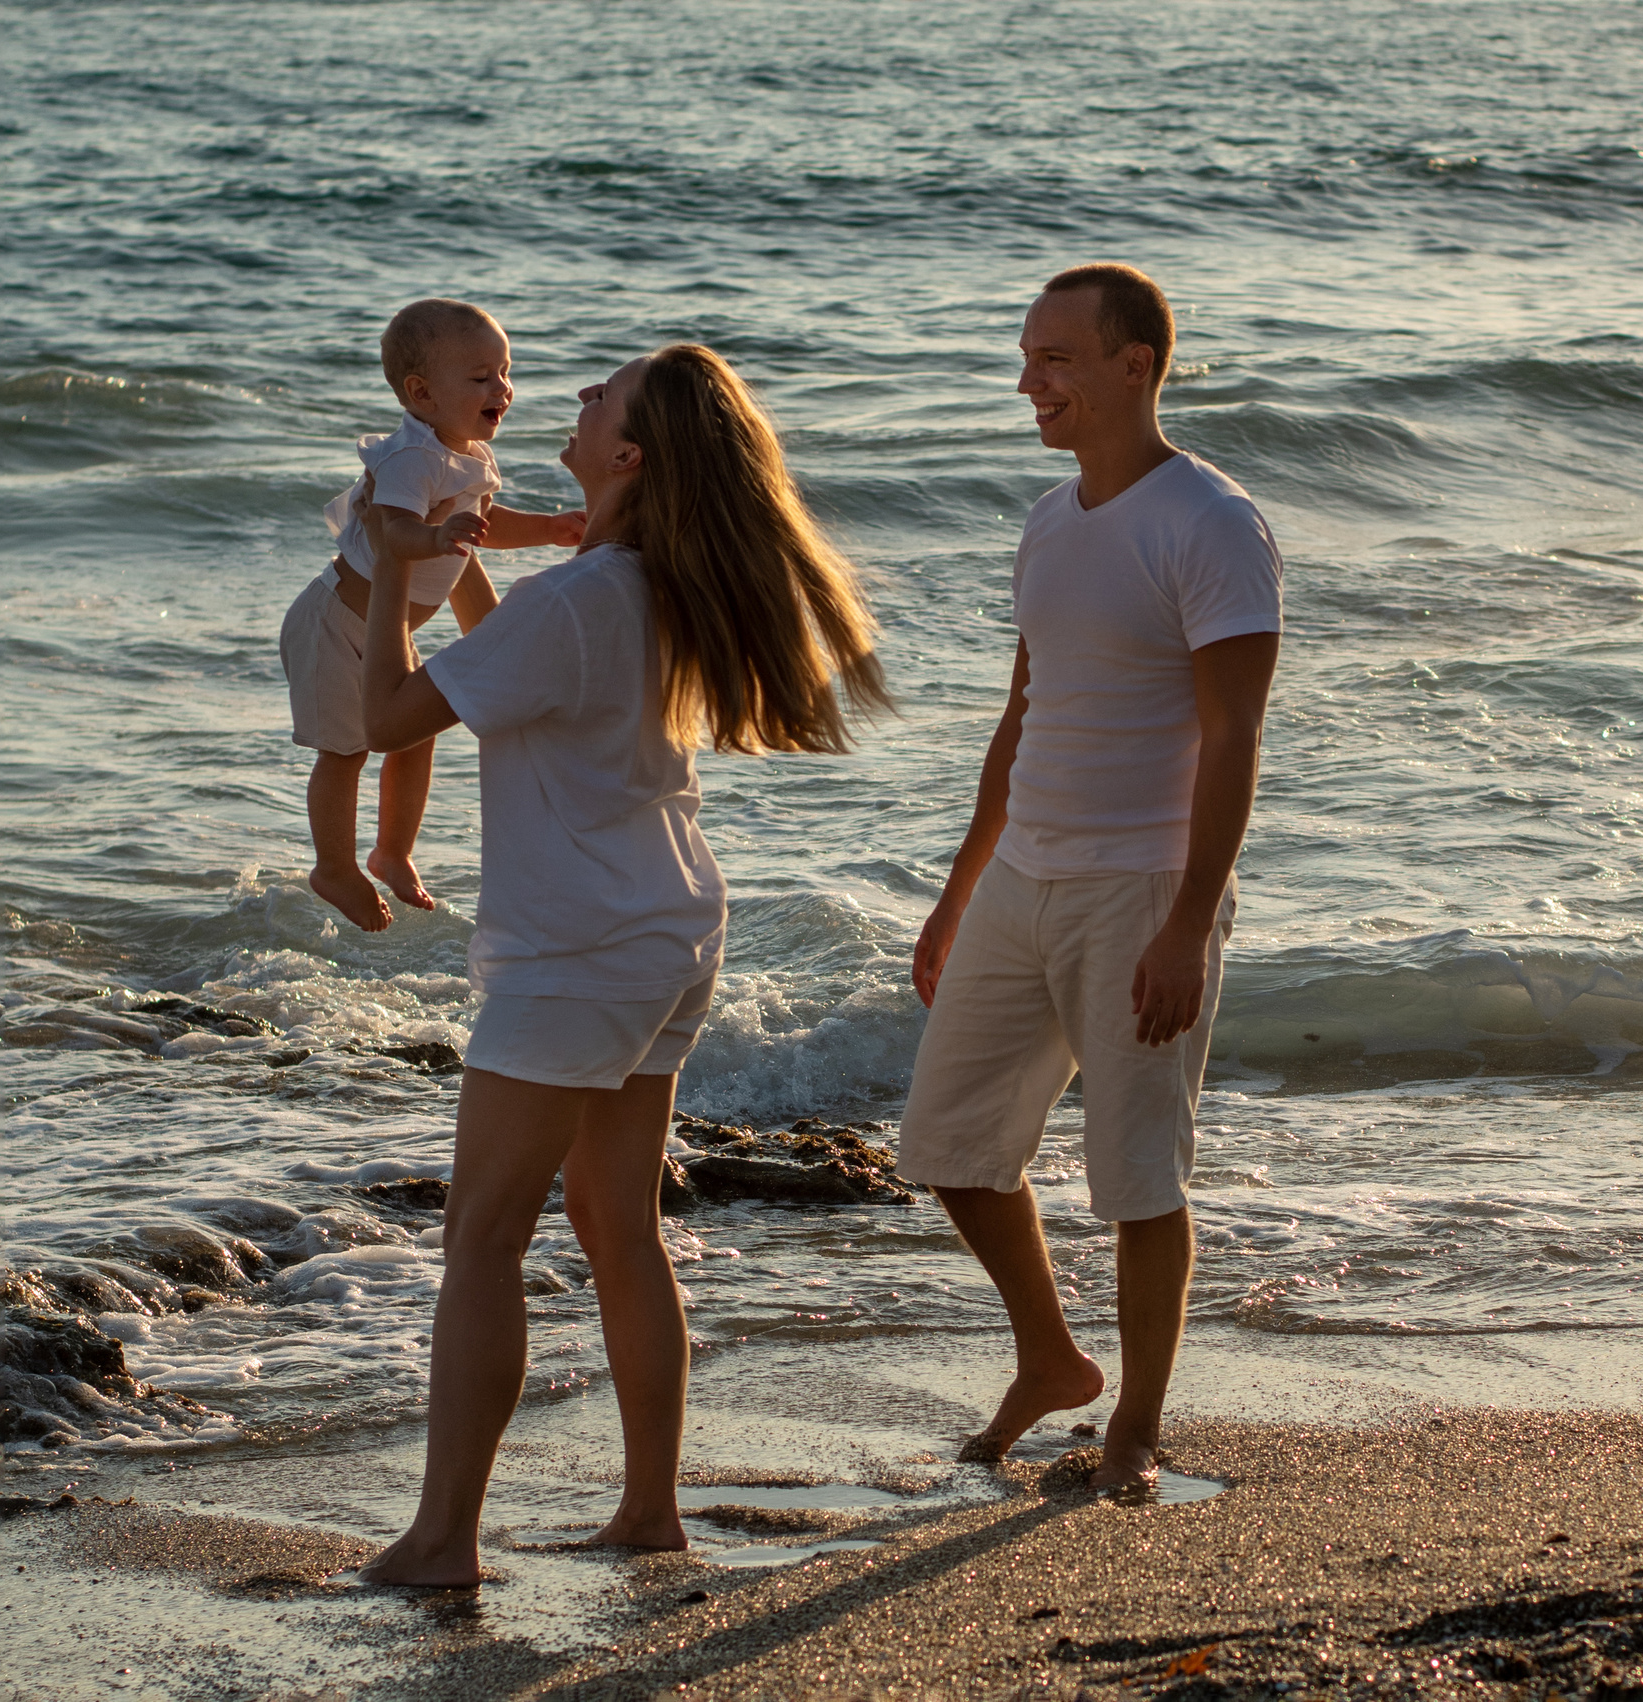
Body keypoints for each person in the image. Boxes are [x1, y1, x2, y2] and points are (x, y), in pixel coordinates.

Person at [350, 343, 890, 1585]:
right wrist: (458, 554)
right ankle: (649, 1510)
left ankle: (441, 1540)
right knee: (615, 1221)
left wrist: (387, 573)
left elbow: (385, 717)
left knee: (480, 1238)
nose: (578, 401)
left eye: (603, 398)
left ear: (629, 454)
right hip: (665, 928)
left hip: (577, 950)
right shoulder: (636, 585)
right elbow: (509, 662)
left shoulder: (578, 602)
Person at [897, 264, 1282, 1490]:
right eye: (1026, 357)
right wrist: (961, 889)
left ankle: (1137, 1427)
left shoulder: (1211, 523)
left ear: (1135, 364)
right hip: (1024, 876)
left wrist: (1183, 924)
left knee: (1136, 1176)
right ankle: (1053, 1357)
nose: (1030, 382)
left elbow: (1233, 740)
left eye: (1055, 358)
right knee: (948, 1146)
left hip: (1140, 888)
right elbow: (1019, 717)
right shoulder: (1048, 522)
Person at [279, 298, 586, 934]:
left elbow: (484, 524)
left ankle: (392, 850)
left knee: (415, 736)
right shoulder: (413, 458)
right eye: (480, 378)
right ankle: (333, 866)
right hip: (333, 625)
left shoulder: (465, 450)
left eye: (505, 372)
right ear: (421, 393)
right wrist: (436, 537)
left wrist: (550, 530)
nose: (500, 388)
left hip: (382, 630)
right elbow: (395, 529)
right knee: (345, 752)